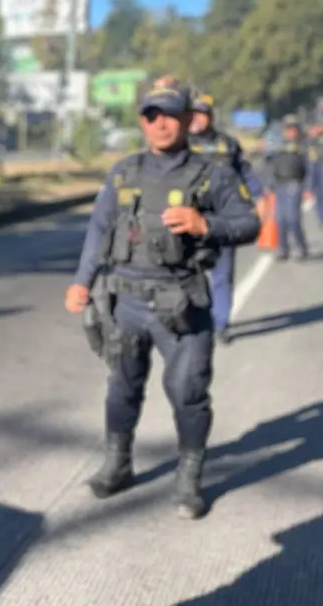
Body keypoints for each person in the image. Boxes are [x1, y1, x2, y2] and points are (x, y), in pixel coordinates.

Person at [63, 79, 261, 519]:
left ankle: (189, 479)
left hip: (181, 304)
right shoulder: (124, 172)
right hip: (125, 302)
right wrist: (82, 281)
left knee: (188, 392)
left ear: (188, 119)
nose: (161, 123)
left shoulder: (213, 174)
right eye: (151, 115)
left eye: (170, 115)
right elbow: (99, 229)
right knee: (121, 388)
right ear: (142, 122)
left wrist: (205, 224)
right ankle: (118, 465)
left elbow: (249, 223)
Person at [188, 89, 265, 346]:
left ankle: (220, 324)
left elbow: (245, 172)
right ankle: (192, 321)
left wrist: (259, 197)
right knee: (190, 273)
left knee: (222, 274)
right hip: (191, 217)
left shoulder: (227, 144)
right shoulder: (180, 143)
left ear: (210, 116)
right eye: (193, 113)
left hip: (224, 217)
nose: (197, 119)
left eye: (202, 114)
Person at [266, 116, 310, 261]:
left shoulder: (303, 146)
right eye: (288, 129)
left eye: (293, 129)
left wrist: (308, 188)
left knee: (293, 218)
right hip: (280, 184)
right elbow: (272, 166)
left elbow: (309, 167)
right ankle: (282, 249)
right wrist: (270, 185)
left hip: (294, 184)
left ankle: (300, 247)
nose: (290, 132)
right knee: (280, 219)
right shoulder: (278, 146)